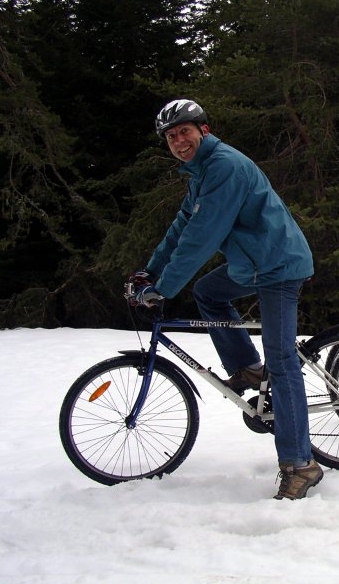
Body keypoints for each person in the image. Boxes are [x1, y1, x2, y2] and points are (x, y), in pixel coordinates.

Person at [131, 99, 322, 499]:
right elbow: (182, 226)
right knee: (208, 292)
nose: (178, 141)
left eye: (184, 131)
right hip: (252, 265)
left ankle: (300, 465)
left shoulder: (224, 166)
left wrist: (163, 289)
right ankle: (248, 369)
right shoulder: (200, 172)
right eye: (171, 136)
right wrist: (149, 271)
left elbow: (203, 235)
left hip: (279, 266)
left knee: (282, 361)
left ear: (204, 130)